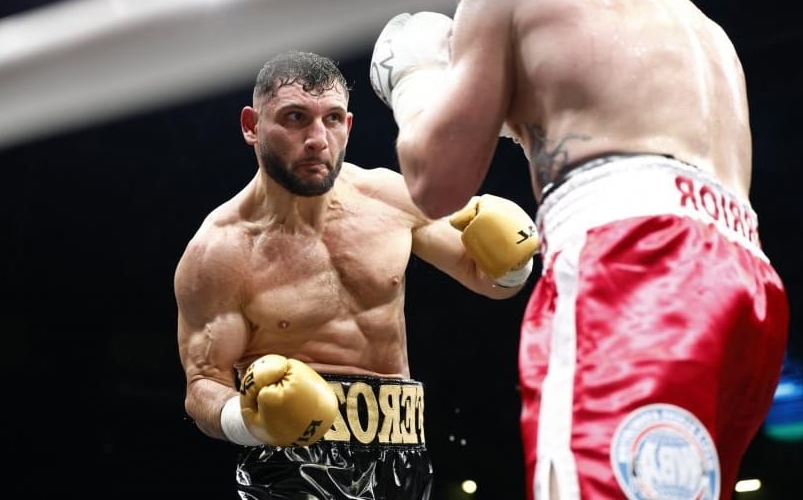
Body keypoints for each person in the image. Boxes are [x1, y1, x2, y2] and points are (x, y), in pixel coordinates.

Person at [369, 0, 790, 500]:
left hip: (634, 269)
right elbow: (595, 132)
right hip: (748, 288)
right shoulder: (695, 23)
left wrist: (414, 78)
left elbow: (435, 183)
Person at [174, 50, 540, 499]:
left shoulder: (391, 198)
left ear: (348, 126)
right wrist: (249, 421)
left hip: (403, 454)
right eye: (294, 118)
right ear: (252, 126)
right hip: (294, 468)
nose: (317, 139)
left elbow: (490, 278)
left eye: (331, 119)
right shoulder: (219, 251)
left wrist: (515, 261)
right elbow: (203, 384)